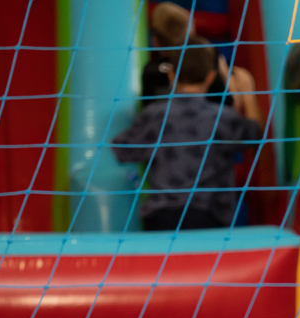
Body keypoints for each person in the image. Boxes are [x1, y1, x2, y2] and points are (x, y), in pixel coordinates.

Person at [112, 36, 263, 231]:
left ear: (171, 75)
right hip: (209, 215)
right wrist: (248, 94)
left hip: (161, 215)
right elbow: (253, 135)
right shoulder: (221, 117)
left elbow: (123, 150)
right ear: (211, 77)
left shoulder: (155, 115)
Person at [141, 2, 259, 121]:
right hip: (208, 126)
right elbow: (230, 108)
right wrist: (226, 75)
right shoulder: (204, 65)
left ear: (155, 42)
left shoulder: (149, 71)